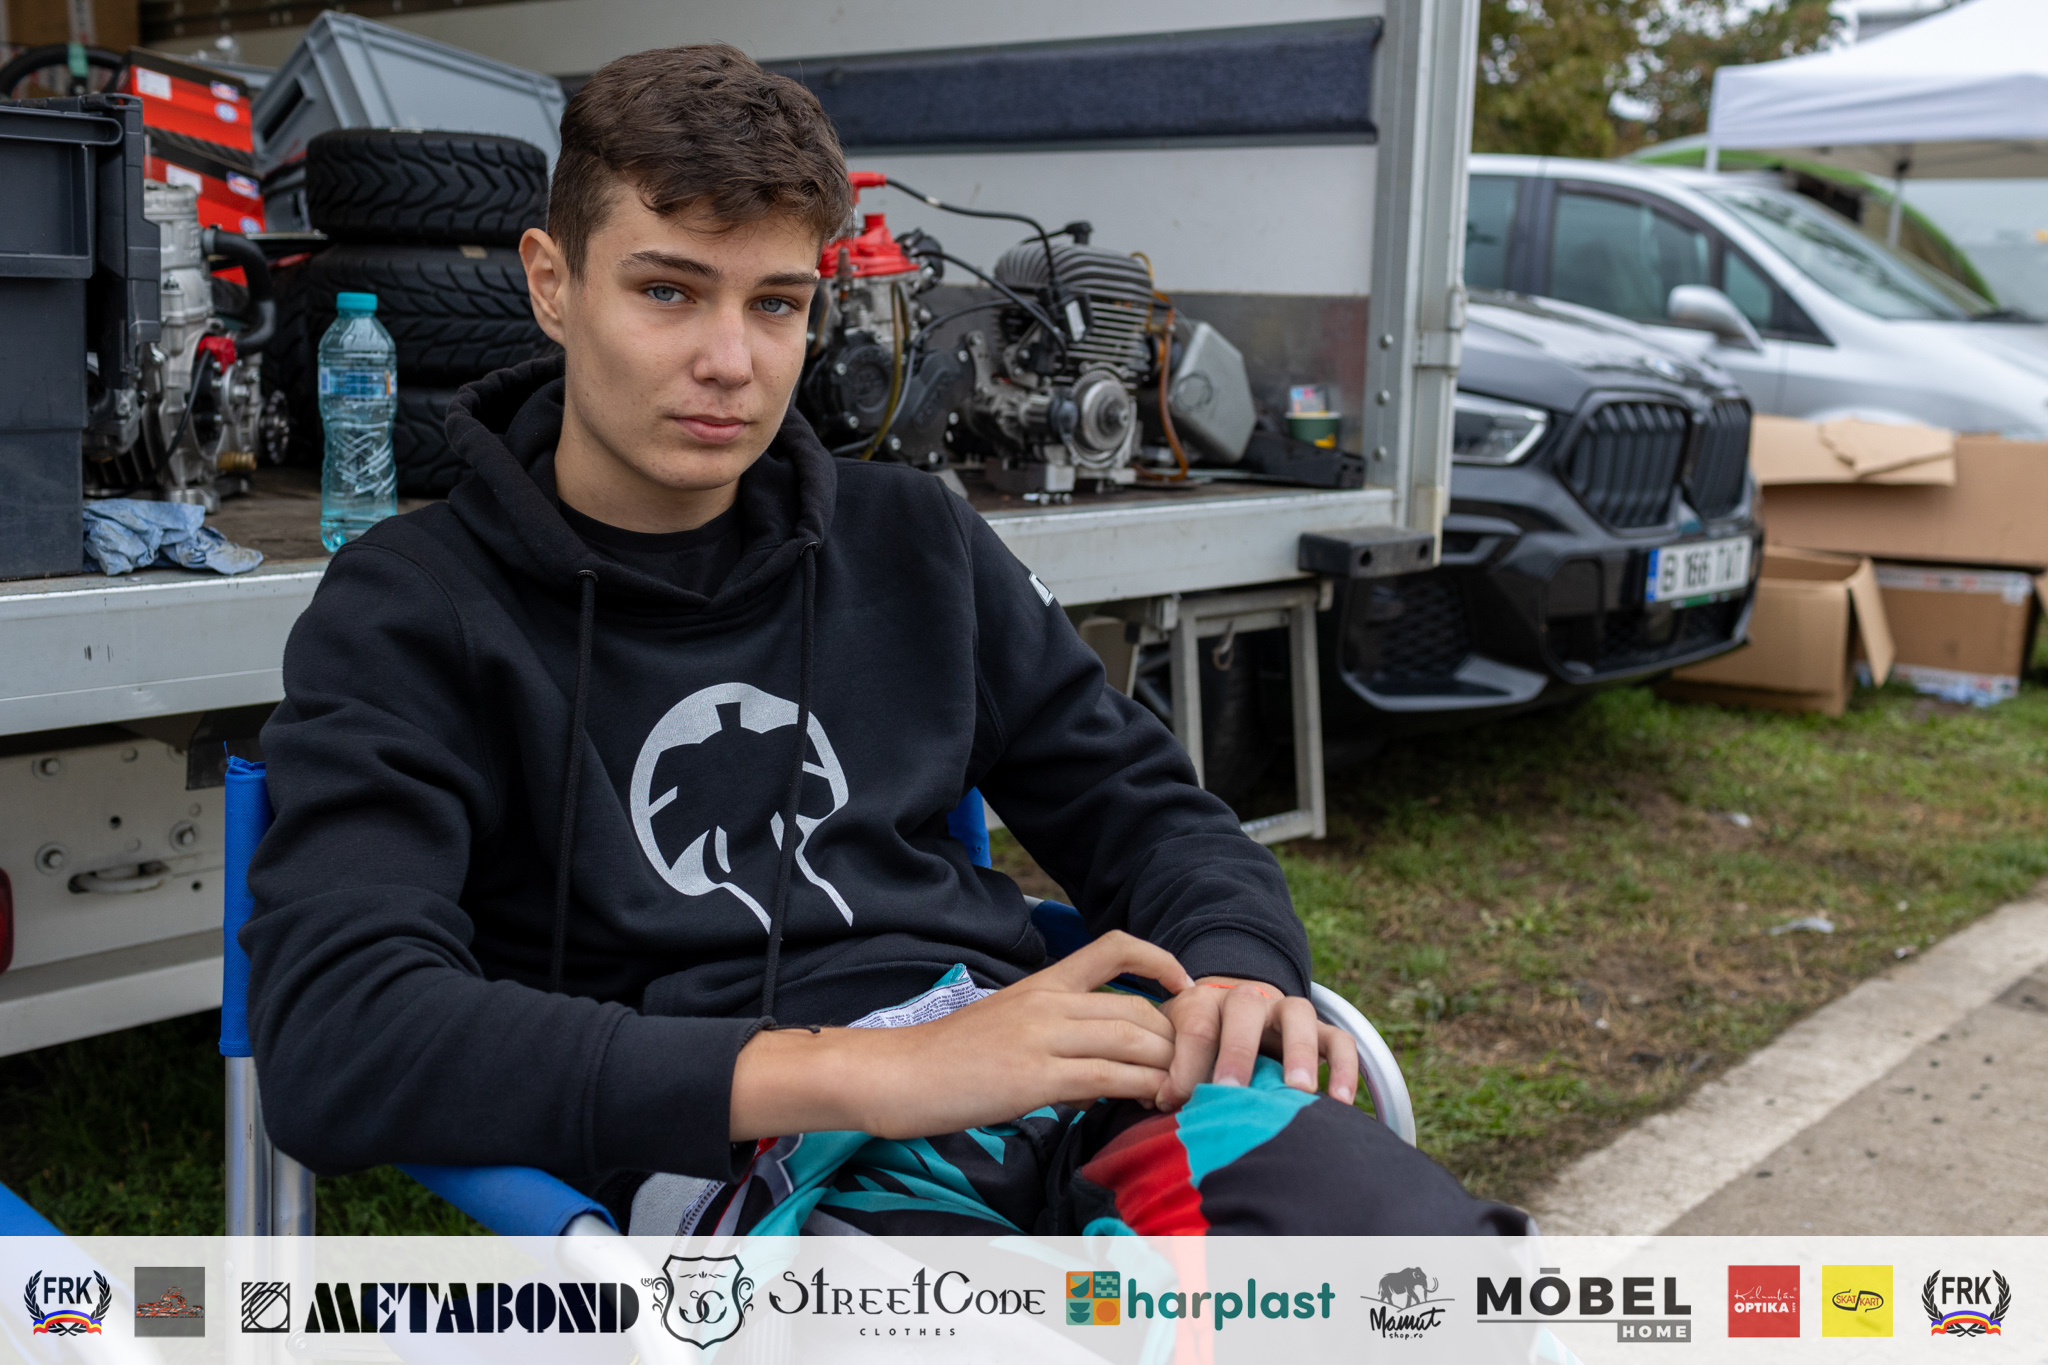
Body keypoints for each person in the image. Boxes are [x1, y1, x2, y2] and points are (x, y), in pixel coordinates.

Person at [245, 43, 1525, 1238]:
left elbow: (1147, 813)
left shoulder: (913, 537)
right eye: (666, 291)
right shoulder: (410, 608)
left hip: (1055, 1081)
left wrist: (1237, 965)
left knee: (1431, 1290)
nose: (729, 361)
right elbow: (343, 1034)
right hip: (756, 1159)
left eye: (776, 303)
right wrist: (871, 1071)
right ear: (550, 283)